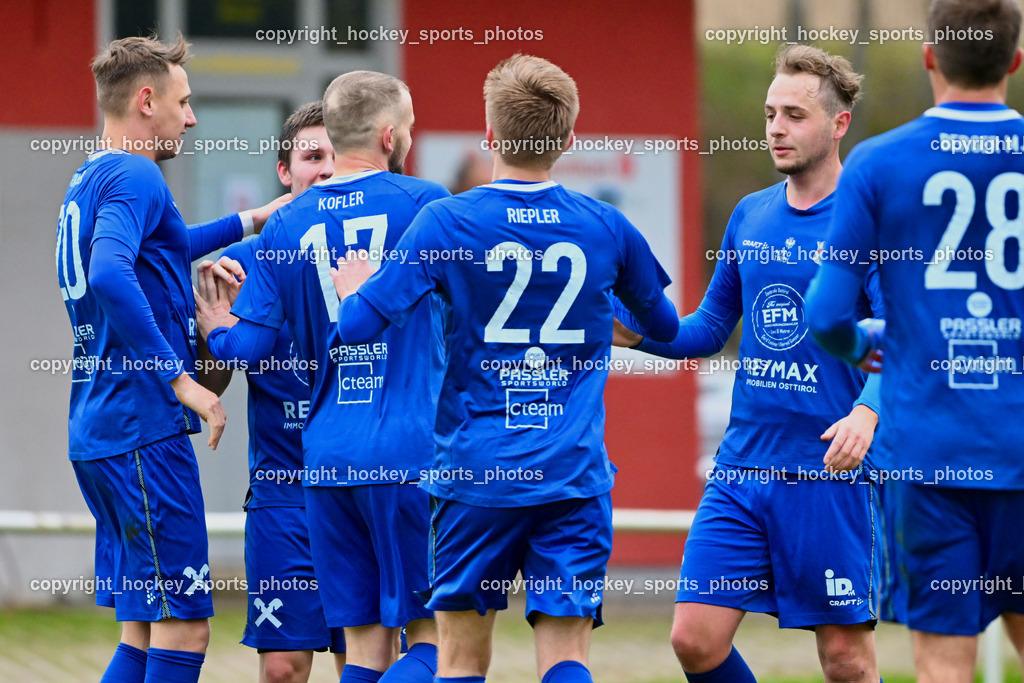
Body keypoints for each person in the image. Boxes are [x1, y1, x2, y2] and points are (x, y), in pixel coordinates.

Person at [328, 54, 679, 683]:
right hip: (571, 474)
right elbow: (671, 330)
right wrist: (617, 329)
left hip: (474, 473)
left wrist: (358, 288)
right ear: (568, 139)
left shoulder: (446, 220)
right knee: (567, 658)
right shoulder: (607, 225)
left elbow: (356, 329)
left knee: (460, 660)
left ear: (488, 134)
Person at [615, 44, 883, 683]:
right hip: (742, 466)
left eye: (794, 114)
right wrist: (635, 334)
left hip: (827, 472)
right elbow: (708, 329)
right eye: (769, 114)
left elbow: (902, 341)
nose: (775, 129)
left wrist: (869, 412)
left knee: (844, 658)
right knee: (694, 641)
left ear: (838, 124)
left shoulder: (869, 222)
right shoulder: (750, 215)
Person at [196, 70, 449, 683]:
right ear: (390, 136)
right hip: (404, 454)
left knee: (361, 650)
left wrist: (215, 330)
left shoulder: (284, 227)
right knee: (440, 642)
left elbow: (246, 347)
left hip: (328, 459)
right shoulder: (428, 206)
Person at [55, 34, 284, 683]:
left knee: (144, 623)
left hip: (99, 430)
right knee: (184, 622)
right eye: (183, 103)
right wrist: (182, 379)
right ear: (146, 99)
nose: (191, 118)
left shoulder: (92, 175)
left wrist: (252, 220)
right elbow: (110, 272)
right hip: (141, 429)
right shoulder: (136, 173)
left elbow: (167, 243)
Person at [806, 0, 1024, 680]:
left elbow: (824, 315)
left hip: (930, 460)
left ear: (930, 55)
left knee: (942, 668)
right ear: (1015, 60)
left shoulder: (877, 163)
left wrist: (863, 344)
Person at [198, 101, 346, 683]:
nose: (327, 169)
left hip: (365, 486)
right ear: (285, 171)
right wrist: (217, 335)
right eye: (313, 156)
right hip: (285, 496)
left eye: (337, 154)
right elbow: (213, 383)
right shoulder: (242, 263)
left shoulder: (386, 255)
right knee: (283, 668)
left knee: (368, 661)